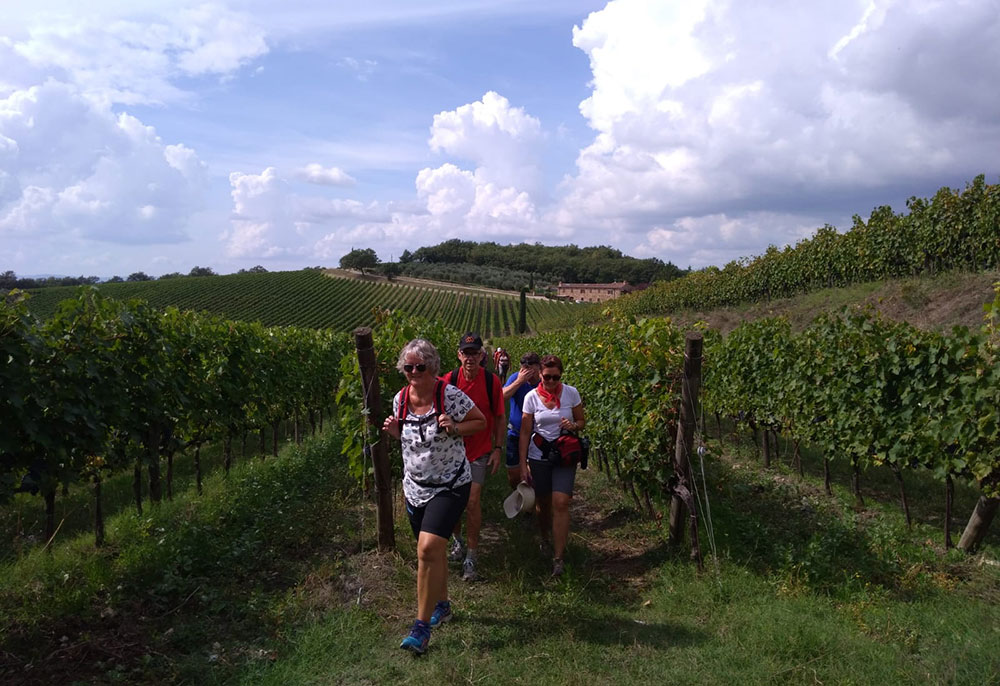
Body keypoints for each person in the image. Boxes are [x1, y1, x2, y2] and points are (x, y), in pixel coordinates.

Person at [383, 339, 486, 654]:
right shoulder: (400, 400)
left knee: (427, 550)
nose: (414, 372)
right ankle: (443, 604)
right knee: (435, 552)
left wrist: (454, 427)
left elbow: (480, 422)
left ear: (433, 367)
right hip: (415, 488)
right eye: (408, 367)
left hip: (450, 485)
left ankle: (421, 627)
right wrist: (396, 433)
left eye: (420, 366)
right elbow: (415, 439)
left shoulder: (449, 395)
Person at [442, 332, 505, 582]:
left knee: (472, 501)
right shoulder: (448, 381)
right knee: (454, 503)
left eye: (474, 353)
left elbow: (499, 417)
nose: (470, 357)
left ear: (482, 356)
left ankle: (472, 555)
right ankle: (457, 542)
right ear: (459, 355)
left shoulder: (491, 383)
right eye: (466, 353)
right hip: (451, 451)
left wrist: (498, 448)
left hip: (479, 452)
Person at [518, 354, 585, 577]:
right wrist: (523, 464)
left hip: (564, 455)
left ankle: (559, 558)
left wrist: (573, 425)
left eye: (556, 377)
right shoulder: (531, 398)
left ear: (561, 375)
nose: (551, 382)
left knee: (561, 502)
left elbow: (582, 422)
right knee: (543, 502)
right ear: (540, 375)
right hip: (539, 456)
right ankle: (544, 537)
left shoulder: (571, 393)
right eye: (547, 377)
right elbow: (525, 432)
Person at [502, 352, 541, 490]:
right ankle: (521, 496)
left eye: (531, 368)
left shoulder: (544, 382)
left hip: (536, 435)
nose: (527, 371)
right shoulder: (515, 378)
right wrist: (519, 381)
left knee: (533, 474)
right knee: (513, 475)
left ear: (538, 367)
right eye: (524, 367)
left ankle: (533, 504)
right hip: (515, 434)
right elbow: (501, 397)